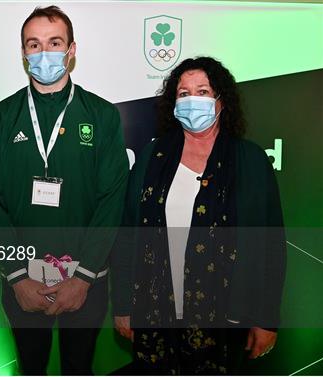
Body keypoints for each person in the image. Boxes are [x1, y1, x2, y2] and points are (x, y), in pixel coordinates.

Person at [111, 56, 286, 374]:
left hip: (225, 317)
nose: (193, 100)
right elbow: (127, 235)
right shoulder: (154, 155)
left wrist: (266, 319)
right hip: (156, 313)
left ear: (221, 101)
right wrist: (123, 305)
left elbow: (271, 246)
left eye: (203, 91)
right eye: (183, 93)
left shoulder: (251, 160)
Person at [0, 6, 128, 375]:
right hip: (23, 283)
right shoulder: (0, 118)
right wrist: (16, 275)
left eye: (54, 42)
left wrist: (83, 277)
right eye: (34, 44)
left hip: (86, 283)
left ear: (71, 49)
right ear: (23, 53)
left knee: (79, 368)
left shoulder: (102, 115)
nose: (44, 53)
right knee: (31, 368)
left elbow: (112, 202)